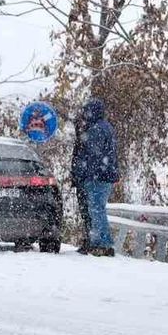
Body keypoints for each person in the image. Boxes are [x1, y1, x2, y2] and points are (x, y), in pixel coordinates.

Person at [72, 98, 119, 257]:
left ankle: (103, 244)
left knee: (96, 209)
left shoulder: (96, 129)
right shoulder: (106, 127)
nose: (84, 114)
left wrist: (86, 174)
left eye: (86, 111)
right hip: (105, 175)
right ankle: (97, 242)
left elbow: (93, 155)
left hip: (97, 176)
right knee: (97, 209)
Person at [69, 113, 92, 254]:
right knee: (86, 212)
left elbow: (81, 161)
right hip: (82, 180)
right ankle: (89, 239)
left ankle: (90, 240)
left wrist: (79, 176)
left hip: (85, 180)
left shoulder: (86, 140)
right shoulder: (82, 140)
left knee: (88, 212)